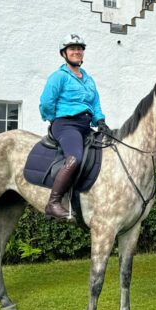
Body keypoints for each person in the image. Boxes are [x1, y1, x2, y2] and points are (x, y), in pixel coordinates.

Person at [39, 34, 110, 219]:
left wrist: (100, 120)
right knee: (75, 158)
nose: (77, 52)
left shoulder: (89, 80)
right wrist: (53, 119)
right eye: (72, 49)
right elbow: (46, 102)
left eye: (80, 49)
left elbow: (95, 105)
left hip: (85, 125)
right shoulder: (59, 77)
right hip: (65, 125)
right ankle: (53, 203)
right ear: (64, 54)